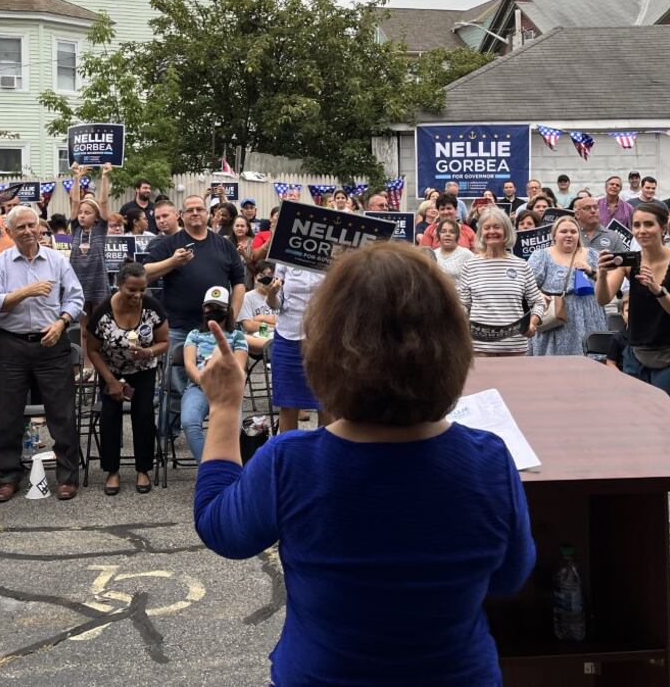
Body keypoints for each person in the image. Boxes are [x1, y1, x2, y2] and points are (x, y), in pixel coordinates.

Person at [193, 241, 535, 687]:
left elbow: (221, 528)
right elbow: (510, 576)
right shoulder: (489, 460)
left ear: (325, 349)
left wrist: (223, 408)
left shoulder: (291, 462)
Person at [0, 205, 86, 502]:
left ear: (40, 228)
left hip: (52, 342)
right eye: (21, 228)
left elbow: (75, 297)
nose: (28, 232)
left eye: (32, 226)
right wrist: (26, 291)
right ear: (10, 232)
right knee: (8, 414)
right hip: (11, 344)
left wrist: (62, 322)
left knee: (61, 413)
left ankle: (67, 477)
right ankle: (8, 476)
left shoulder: (56, 260)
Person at [145, 195, 246, 436]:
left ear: (208, 214)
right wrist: (172, 261)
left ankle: (214, 434)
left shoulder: (223, 245)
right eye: (189, 210)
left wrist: (232, 316)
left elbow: (239, 283)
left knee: (221, 381)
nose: (195, 213)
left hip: (217, 328)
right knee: (177, 384)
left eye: (200, 209)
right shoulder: (171, 244)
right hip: (179, 326)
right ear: (182, 215)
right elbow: (143, 273)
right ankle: (169, 434)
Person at [596, 202, 670, 416]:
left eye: (649, 224)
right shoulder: (630, 261)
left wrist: (658, 290)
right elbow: (603, 299)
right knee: (637, 417)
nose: (642, 231)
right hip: (637, 352)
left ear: (663, 227)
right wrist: (602, 274)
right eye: (637, 225)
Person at [86, 262, 169, 495]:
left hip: (144, 369)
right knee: (109, 416)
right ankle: (112, 471)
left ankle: (143, 469)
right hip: (111, 369)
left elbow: (164, 341)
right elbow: (92, 349)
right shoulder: (103, 313)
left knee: (143, 414)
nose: (138, 295)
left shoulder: (152, 308)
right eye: (132, 289)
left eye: (142, 289)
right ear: (119, 285)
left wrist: (149, 352)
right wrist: (110, 381)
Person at [457, 207, 544, 355]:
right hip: (479, 348)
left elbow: (538, 301)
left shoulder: (521, 265)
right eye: (487, 228)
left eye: (497, 227)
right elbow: (463, 303)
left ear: (506, 231)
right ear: (481, 233)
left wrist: (532, 323)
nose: (492, 231)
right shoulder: (470, 265)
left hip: (515, 347)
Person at [181, 286, 248, 464]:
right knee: (189, 422)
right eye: (209, 306)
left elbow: (239, 368)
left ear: (228, 309)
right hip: (198, 386)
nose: (213, 311)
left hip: (227, 389)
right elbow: (189, 364)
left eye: (218, 307)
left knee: (231, 430)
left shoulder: (238, 336)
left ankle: (219, 472)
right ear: (203, 309)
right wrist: (203, 381)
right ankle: (208, 470)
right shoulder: (194, 335)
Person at [528, 216, 606, 356]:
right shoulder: (541, 256)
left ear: (579, 234)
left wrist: (591, 271)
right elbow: (527, 285)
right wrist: (538, 294)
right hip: (556, 320)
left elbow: (608, 285)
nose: (569, 235)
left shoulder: (594, 255)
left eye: (573, 232)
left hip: (590, 319)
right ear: (554, 235)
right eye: (564, 231)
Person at [264, 264, 328, 433]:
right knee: (288, 405)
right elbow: (276, 305)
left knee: (327, 404)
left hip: (324, 339)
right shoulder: (285, 257)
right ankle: (289, 457)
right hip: (288, 336)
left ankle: (325, 457)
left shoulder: (334, 254)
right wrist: (271, 293)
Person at [69, 161, 112, 363]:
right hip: (79, 283)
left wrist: (104, 176)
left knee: (99, 326)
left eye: (87, 212)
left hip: (97, 282)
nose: (82, 215)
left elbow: (103, 203)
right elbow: (74, 202)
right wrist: (77, 178)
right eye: (81, 213)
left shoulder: (100, 229)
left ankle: (101, 364)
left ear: (96, 217)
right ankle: (86, 366)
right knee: (84, 329)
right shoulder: (75, 230)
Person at [238, 265, 278, 354]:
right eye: (262, 275)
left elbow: (285, 322)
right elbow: (249, 326)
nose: (266, 280)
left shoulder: (279, 296)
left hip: (278, 338)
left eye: (270, 276)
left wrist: (261, 318)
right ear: (256, 278)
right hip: (257, 340)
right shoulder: (247, 297)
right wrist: (275, 326)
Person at [433, 219, 474, 285]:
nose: (447, 234)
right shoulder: (433, 254)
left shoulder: (467, 255)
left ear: (457, 236)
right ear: (438, 235)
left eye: (452, 232)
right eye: (443, 231)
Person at [231, 215, 257, 290]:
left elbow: (255, 269)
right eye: (237, 226)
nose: (239, 228)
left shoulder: (254, 242)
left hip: (248, 286)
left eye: (242, 226)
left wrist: (244, 254)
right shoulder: (227, 242)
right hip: (230, 286)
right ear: (233, 227)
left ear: (247, 229)